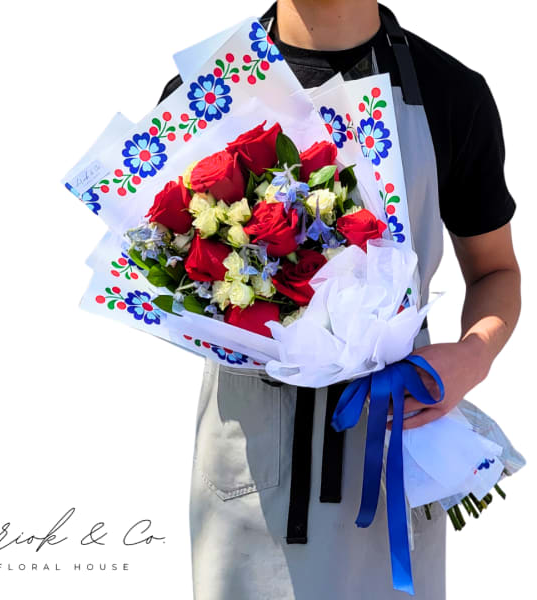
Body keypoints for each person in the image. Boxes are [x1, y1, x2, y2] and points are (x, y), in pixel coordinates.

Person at [157, 1, 521, 598]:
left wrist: (474, 354)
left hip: (394, 442)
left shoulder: (450, 93)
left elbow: (496, 270)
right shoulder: (203, 94)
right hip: (250, 466)